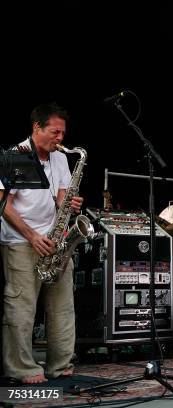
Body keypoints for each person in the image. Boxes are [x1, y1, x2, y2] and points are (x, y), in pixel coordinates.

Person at [1, 102, 83, 384]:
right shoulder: (15, 157)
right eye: (55, 132)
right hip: (22, 242)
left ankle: (60, 365)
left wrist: (70, 205)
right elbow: (4, 204)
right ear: (37, 127)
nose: (60, 139)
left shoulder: (60, 158)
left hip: (55, 241)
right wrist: (32, 236)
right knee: (21, 308)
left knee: (62, 307)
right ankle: (22, 369)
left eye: (62, 133)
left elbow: (61, 198)